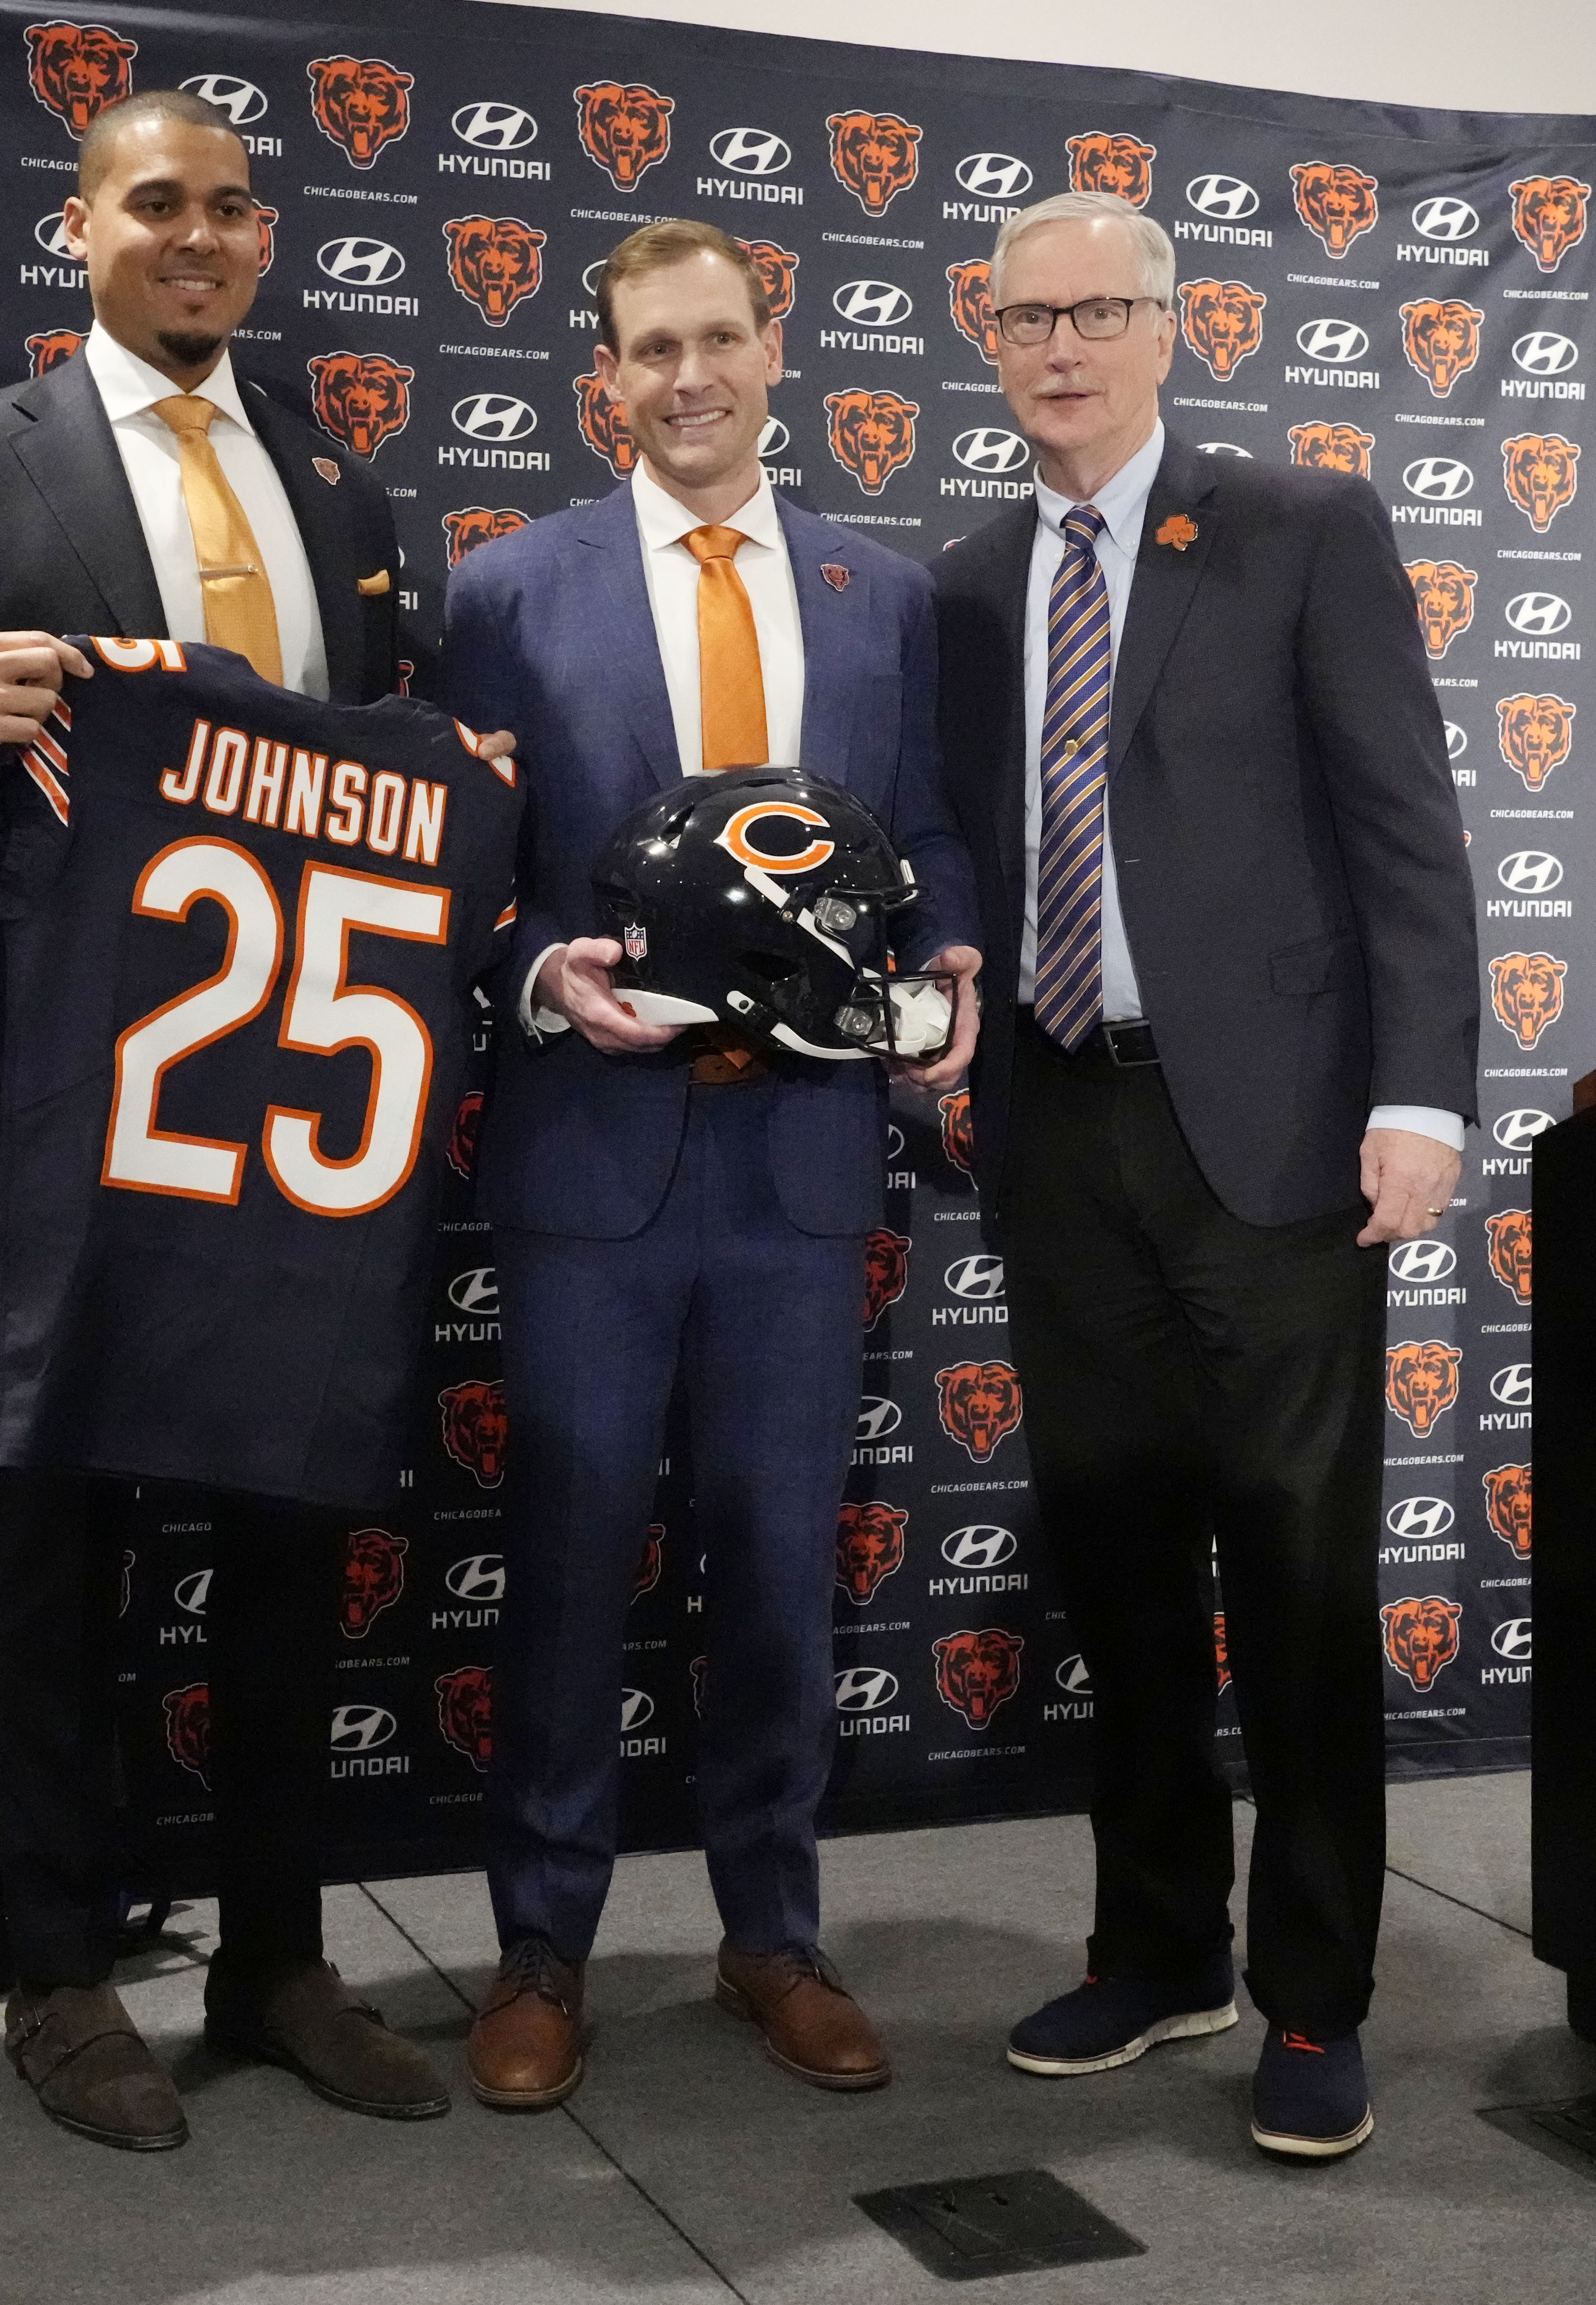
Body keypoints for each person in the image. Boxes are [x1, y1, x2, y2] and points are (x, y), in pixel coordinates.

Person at [0, 87, 453, 2150]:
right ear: (82, 225)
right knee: (59, 1565)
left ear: (265, 240)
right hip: (51, 1118)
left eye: (232, 210)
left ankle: (278, 1958)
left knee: (286, 1547)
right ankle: (58, 1972)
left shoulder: (336, 484)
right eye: (157, 203)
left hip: (285, 1114)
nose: (198, 238)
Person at [927, 190, 1477, 2160]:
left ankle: (1315, 1992)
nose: (1062, 347)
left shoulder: (1298, 526)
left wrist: (1423, 1097)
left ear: (1172, 328)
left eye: (1101, 311)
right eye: (1027, 318)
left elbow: (1406, 829)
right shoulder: (966, 581)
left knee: (1303, 1579)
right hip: (1060, 1124)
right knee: (1121, 1570)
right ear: (988, 340)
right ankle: (1160, 1946)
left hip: (1279, 1131)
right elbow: (964, 852)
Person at [440, 220, 980, 2111]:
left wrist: (950, 952)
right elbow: (463, 858)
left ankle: (774, 1931)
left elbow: (925, 829)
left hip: (804, 1162)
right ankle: (539, 1947)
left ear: (774, 351)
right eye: (651, 349)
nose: (689, 377)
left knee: (772, 1563)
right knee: (569, 1560)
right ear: (606, 380)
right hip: (592, 1156)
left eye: (718, 339)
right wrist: (539, 972)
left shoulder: (879, 591)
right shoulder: (509, 588)